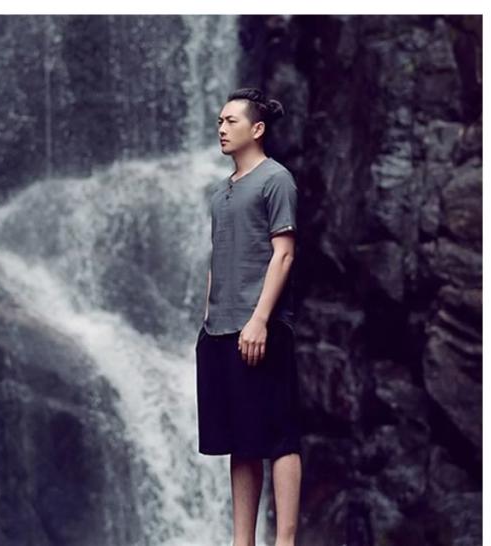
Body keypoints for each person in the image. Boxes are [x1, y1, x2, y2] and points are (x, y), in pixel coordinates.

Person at [195, 87, 302, 546]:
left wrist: (259, 320)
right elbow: (218, 258)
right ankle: (243, 542)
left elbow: (284, 254)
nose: (221, 128)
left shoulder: (276, 180)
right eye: (219, 121)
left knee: (279, 436)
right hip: (219, 329)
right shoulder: (221, 193)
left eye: (231, 121)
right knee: (241, 441)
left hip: (261, 326)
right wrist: (208, 319)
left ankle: (285, 541)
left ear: (257, 129)